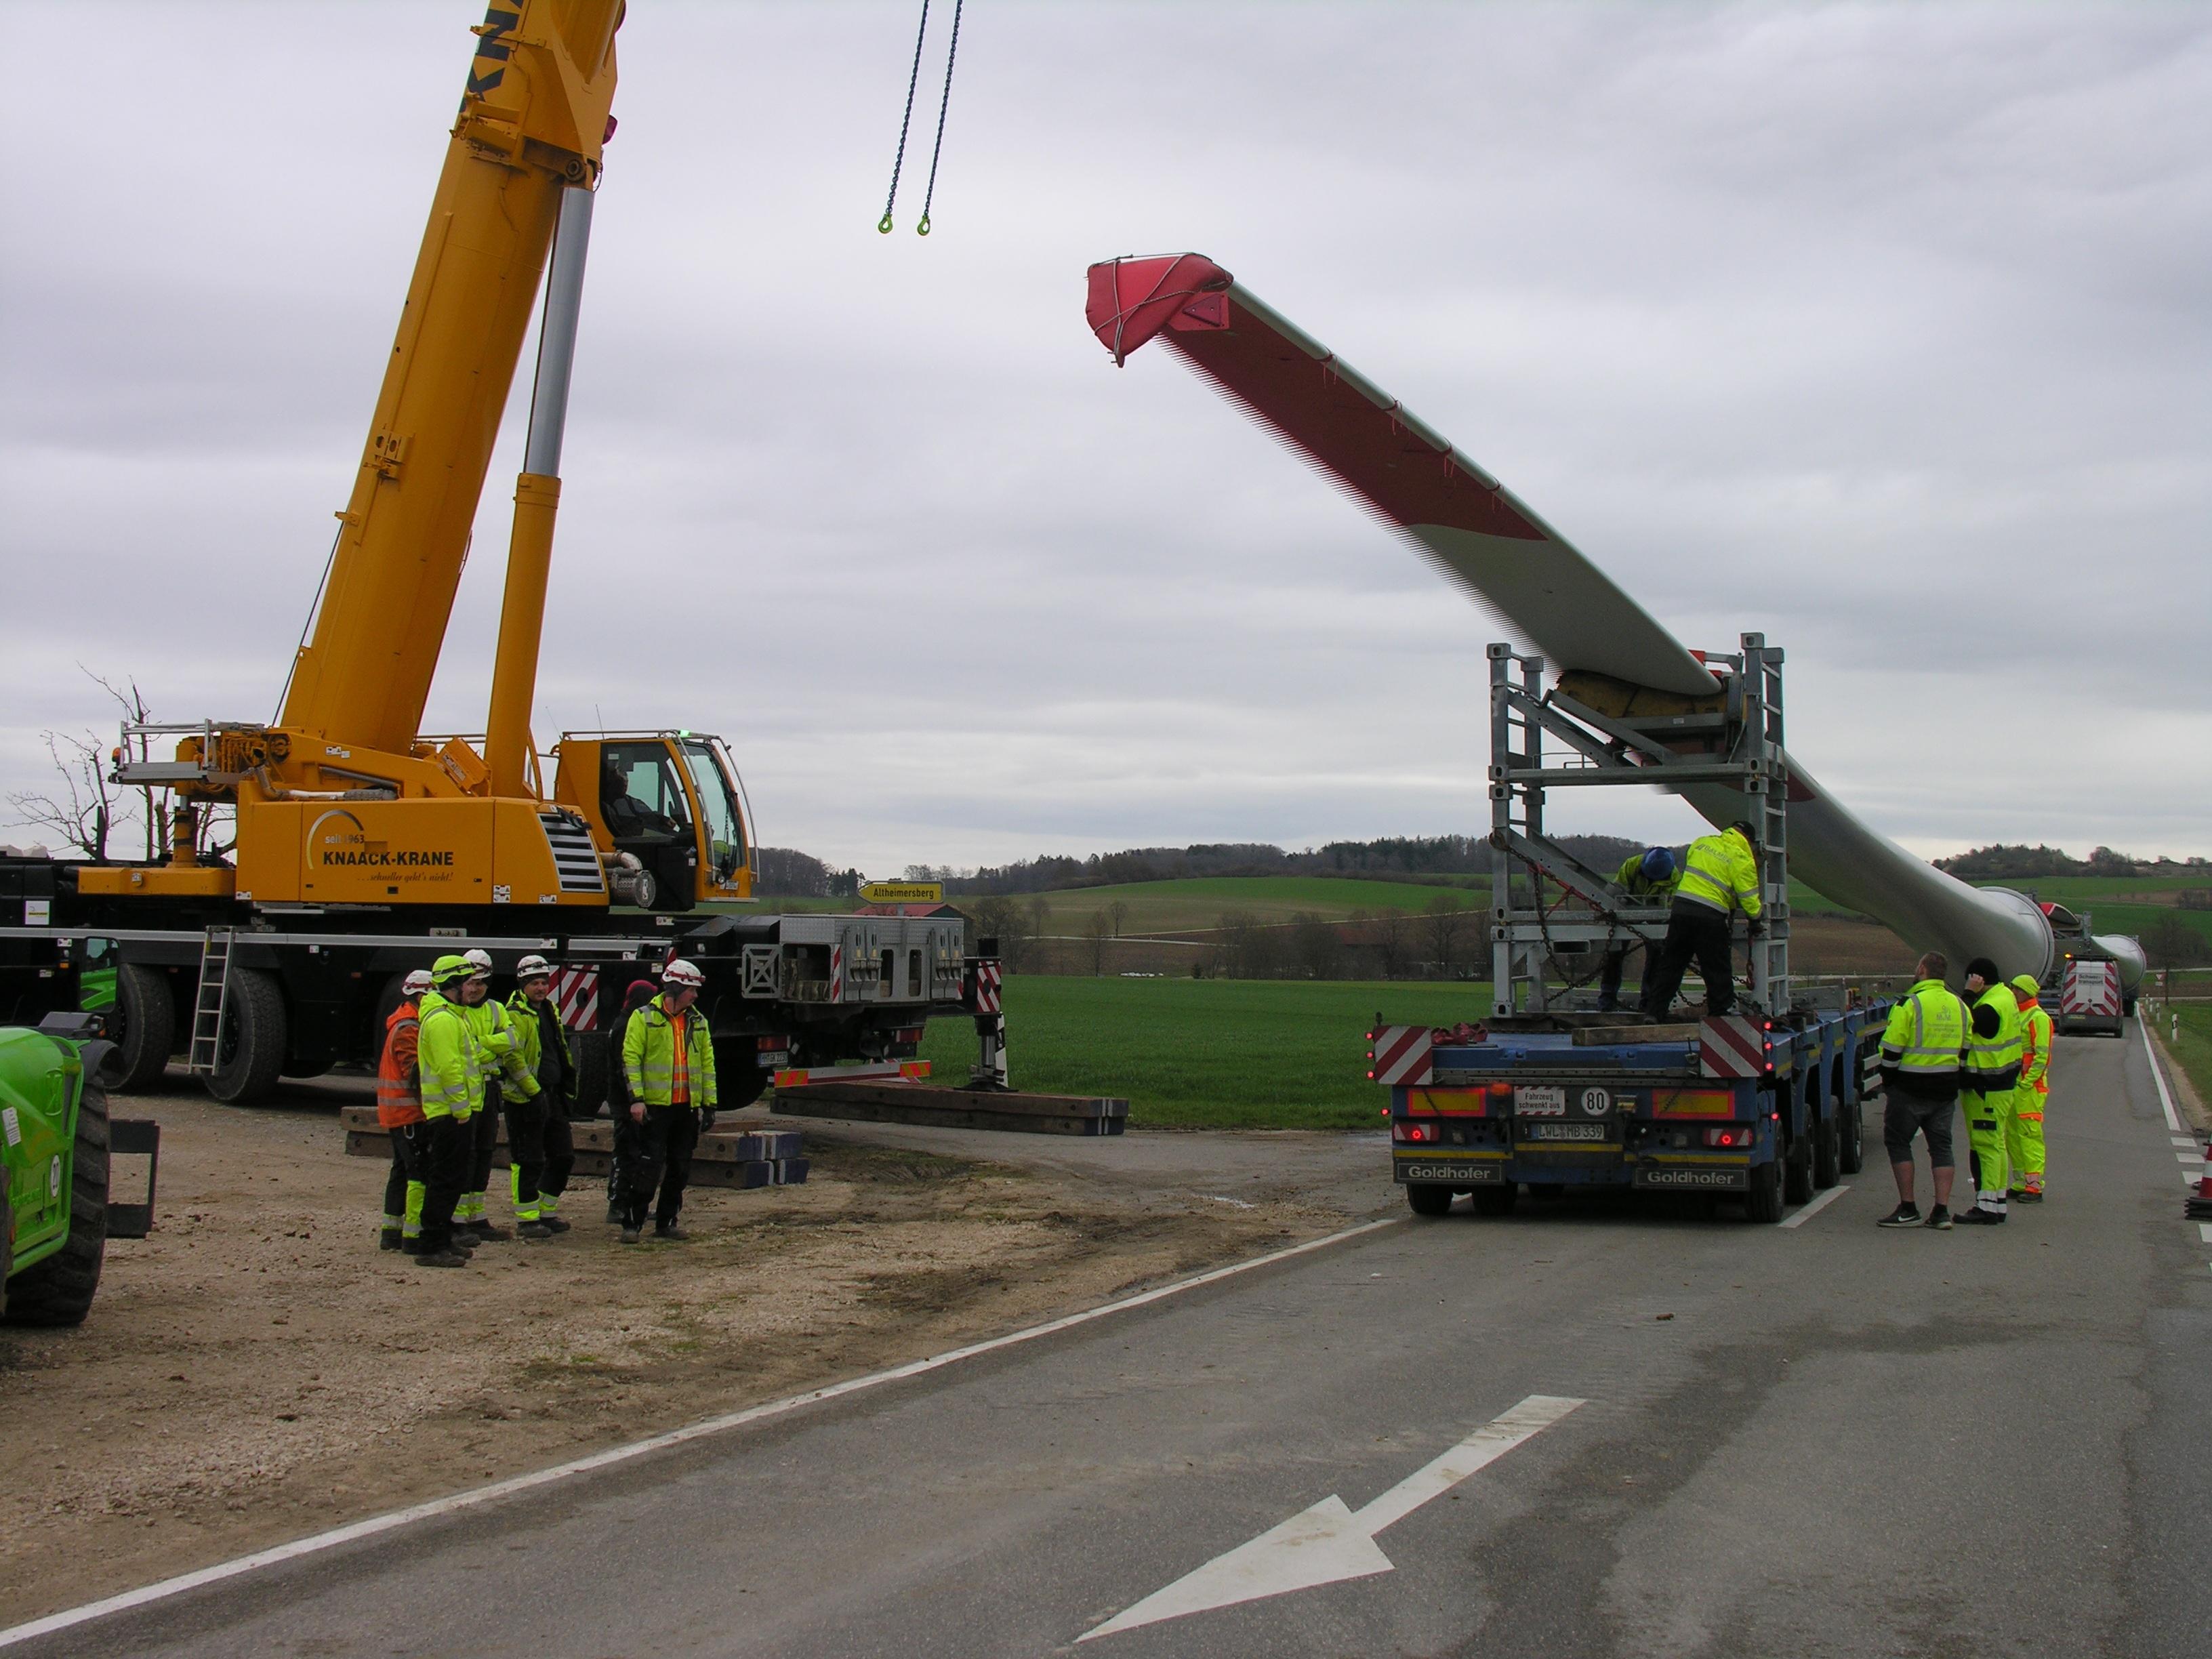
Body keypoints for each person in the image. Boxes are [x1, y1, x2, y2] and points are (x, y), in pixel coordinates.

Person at [618, 958, 718, 1244]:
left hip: (686, 1108)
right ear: (675, 989)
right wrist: (636, 1100)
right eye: (691, 990)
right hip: (654, 1108)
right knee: (647, 1167)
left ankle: (666, 1222)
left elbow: (707, 1065)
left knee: (680, 1167)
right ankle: (632, 1223)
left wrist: (709, 1104)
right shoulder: (644, 1017)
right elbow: (631, 1060)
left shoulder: (698, 1022)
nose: (695, 996)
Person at [1875, 951, 1969, 1229]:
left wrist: (1889, 1081)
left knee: (1898, 1142)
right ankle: (1941, 1212)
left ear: (1922, 970)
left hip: (1909, 1087)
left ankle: (1908, 1208)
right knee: (1942, 1148)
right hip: (1945, 1089)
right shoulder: (1961, 1006)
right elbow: (1966, 1049)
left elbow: (1891, 1049)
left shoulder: (1910, 1004)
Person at [1637, 821, 1763, 1020]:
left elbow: (1709, 877)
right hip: (1710, 916)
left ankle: (1654, 1012)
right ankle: (1719, 1015)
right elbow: (1747, 894)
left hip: (1681, 910)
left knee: (1671, 965)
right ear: (1748, 840)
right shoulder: (1740, 857)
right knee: (1716, 968)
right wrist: (1755, 918)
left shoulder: (1702, 843)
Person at [456, 947, 537, 1242]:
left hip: (489, 1089)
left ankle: (476, 1217)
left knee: (485, 1152)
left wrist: (482, 1042)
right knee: (466, 1155)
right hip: (465, 1090)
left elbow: (512, 1041)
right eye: (470, 983)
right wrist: (492, 1045)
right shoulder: (455, 1011)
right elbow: (466, 1050)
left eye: (480, 983)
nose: (475, 988)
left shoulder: (497, 1010)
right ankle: (458, 1221)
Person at [411, 954, 486, 1268]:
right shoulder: (443, 1020)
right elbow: (449, 1069)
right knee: (444, 1180)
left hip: (454, 1113)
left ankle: (440, 1241)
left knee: (451, 1179)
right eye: (468, 982)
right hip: (449, 1115)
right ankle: (431, 1246)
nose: (473, 988)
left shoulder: (453, 1016)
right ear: (453, 984)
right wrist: (462, 1110)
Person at [505, 954, 578, 1240]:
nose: (540, 988)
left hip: (552, 1095)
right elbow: (514, 1058)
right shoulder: (514, 1013)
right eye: (534, 983)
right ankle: (527, 1219)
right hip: (525, 1098)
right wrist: (534, 1091)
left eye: (544, 982)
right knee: (529, 1159)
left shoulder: (549, 1009)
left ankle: (546, 1211)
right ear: (523, 984)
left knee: (563, 1156)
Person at [1956, 957, 2024, 1225]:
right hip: (2000, 1084)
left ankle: (1985, 1207)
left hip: (1986, 1086)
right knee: (1995, 1146)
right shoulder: (2005, 997)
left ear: (1978, 979)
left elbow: (1967, 1019)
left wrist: (1969, 993)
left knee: (1985, 1146)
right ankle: (1995, 1203)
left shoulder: (1991, 1005)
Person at [377, 968, 436, 1253]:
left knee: (401, 1171)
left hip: (400, 1115)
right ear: (420, 995)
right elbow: (414, 1073)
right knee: (417, 1173)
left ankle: (391, 1232)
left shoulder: (404, 1023)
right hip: (409, 1115)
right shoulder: (409, 1028)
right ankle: (413, 1235)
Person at [605, 977, 661, 1224]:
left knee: (637, 1154)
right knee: (625, 1152)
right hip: (624, 1102)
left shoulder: (630, 1022)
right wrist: (633, 1099)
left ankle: (630, 1202)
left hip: (631, 1100)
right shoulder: (625, 1026)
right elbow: (624, 1067)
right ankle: (617, 1204)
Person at [1599, 846, 1677, 1012]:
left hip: (1655, 917)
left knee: (1656, 954)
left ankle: (1648, 999)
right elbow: (1614, 892)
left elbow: (1667, 907)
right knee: (1614, 953)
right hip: (1626, 912)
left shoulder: (1673, 880)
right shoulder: (1632, 865)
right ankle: (1607, 997)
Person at [2008, 973, 2053, 1202]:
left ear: (2028, 991)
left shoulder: (2038, 1018)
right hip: (2015, 1086)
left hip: (2030, 1088)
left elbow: (2041, 1056)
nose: (2014, 992)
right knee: (2013, 1136)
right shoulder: (2018, 1014)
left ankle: (2035, 1185)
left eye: (2017, 989)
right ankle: (2020, 1181)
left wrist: (2026, 1084)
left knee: (2029, 1135)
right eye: (2012, 988)